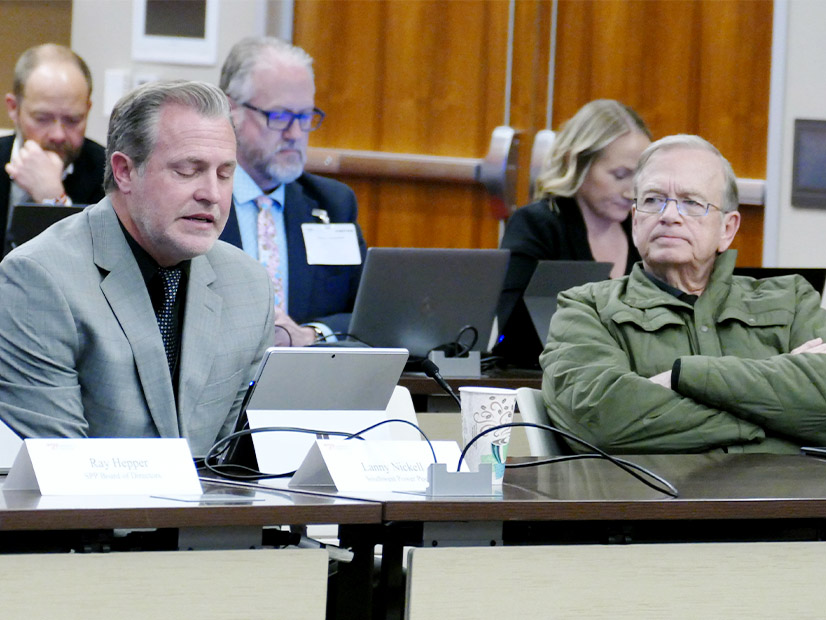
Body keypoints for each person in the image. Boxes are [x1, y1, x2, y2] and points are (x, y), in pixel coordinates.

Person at [0, 80, 275, 457]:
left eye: (224, 174)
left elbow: (228, 462)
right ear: (125, 171)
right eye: (188, 170)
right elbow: (60, 470)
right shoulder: (38, 280)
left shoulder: (248, 284)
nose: (211, 193)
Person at [541, 134, 826, 454]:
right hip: (659, 502)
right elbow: (600, 421)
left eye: (691, 202)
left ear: (727, 229)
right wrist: (771, 420)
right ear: (636, 222)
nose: (669, 215)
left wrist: (681, 377)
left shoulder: (792, 299)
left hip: (789, 502)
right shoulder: (586, 308)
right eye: (652, 200)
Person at [219, 36, 366, 347]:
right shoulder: (199, 202)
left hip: (310, 383)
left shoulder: (332, 204)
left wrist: (310, 335)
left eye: (305, 116)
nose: (296, 134)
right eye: (281, 117)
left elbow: (366, 313)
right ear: (232, 110)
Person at [495, 100, 651, 368]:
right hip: (544, 377)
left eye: (640, 177)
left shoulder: (644, 227)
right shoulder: (538, 225)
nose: (631, 192)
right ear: (577, 163)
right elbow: (509, 327)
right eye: (620, 175)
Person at [1, 44, 106, 253]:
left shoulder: (112, 176)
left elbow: (101, 268)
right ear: (13, 108)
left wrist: (54, 200)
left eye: (73, 120)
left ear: (87, 109)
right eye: (42, 119)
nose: (58, 135)